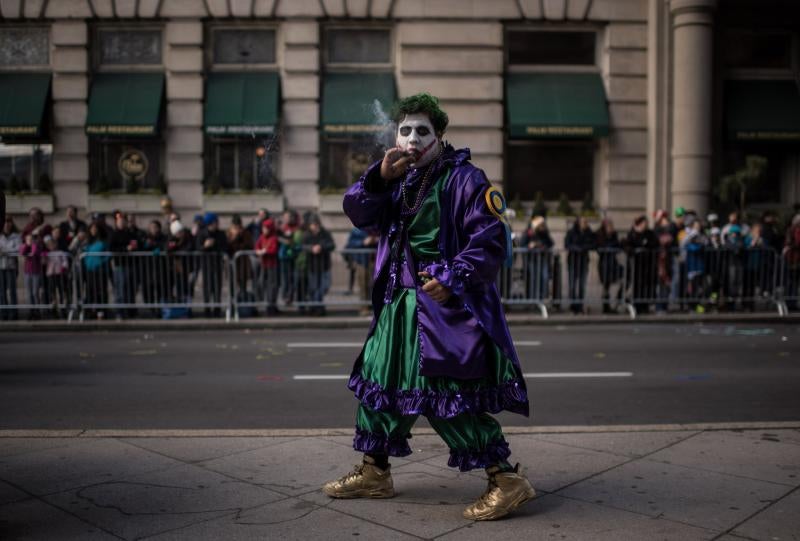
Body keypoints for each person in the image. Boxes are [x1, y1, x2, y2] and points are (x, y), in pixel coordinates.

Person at [326, 93, 534, 522]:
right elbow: (357, 211)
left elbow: (490, 239)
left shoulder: (465, 178)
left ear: (439, 136)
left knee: (443, 396)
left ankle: (506, 479)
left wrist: (454, 277)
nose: (413, 138)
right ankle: (374, 471)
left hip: (440, 310)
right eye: (405, 130)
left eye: (423, 130)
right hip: (396, 306)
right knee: (378, 384)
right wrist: (379, 177)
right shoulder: (397, 176)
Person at [302, 214, 335, 316]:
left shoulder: (325, 233)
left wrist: (321, 247)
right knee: (314, 287)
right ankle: (317, 308)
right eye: (312, 224)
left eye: (316, 224)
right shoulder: (307, 235)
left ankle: (316, 306)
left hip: (324, 265)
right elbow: (302, 246)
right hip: (312, 266)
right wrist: (311, 248)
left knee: (324, 286)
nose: (314, 226)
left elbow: (331, 245)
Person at [195, 212, 227, 317]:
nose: (217, 224)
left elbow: (224, 247)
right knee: (207, 288)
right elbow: (198, 248)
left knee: (217, 288)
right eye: (215, 222)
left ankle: (217, 310)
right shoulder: (202, 233)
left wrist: (216, 244)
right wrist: (205, 246)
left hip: (217, 264)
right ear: (210, 223)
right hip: (206, 265)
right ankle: (207, 310)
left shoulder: (221, 234)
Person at [564, 216, 596, 314]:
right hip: (573, 261)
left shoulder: (589, 232)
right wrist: (576, 248)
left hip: (583, 261)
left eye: (586, 222)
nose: (585, 224)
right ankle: (573, 305)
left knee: (582, 285)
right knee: (572, 285)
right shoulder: (571, 232)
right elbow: (567, 244)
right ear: (578, 223)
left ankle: (580, 305)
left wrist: (584, 248)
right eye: (583, 222)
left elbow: (594, 244)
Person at [345, 227, 379, 316]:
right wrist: (363, 242)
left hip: (373, 260)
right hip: (361, 261)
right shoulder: (356, 230)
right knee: (363, 284)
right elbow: (350, 244)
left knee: (373, 284)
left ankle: (372, 305)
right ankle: (364, 307)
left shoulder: (375, 227)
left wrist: (375, 240)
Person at [521, 215, 553, 303]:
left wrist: (542, 244)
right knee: (533, 279)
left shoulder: (544, 232)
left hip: (542, 260)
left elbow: (550, 243)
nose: (542, 226)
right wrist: (530, 246)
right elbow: (522, 244)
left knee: (544, 277)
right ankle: (533, 299)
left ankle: (541, 298)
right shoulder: (528, 232)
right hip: (532, 260)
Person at [595, 218, 623, 314]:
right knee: (606, 285)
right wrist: (610, 247)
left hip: (613, 263)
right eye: (609, 226)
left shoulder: (614, 235)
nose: (611, 228)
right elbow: (600, 248)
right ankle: (606, 306)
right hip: (604, 264)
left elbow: (618, 246)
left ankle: (618, 300)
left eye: (612, 226)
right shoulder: (600, 235)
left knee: (624, 279)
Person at [254, 218, 280, 315]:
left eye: (265, 228)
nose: (264, 230)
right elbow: (257, 246)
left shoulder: (273, 238)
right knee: (261, 284)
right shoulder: (262, 237)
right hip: (264, 265)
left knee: (272, 286)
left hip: (272, 265)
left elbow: (273, 249)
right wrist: (258, 251)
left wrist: (265, 251)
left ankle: (271, 305)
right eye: (263, 228)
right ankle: (264, 301)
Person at [0, 215, 21, 320]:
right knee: (1, 291)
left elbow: (18, 249)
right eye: (5, 222)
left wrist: (5, 252)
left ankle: (14, 313)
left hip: (11, 266)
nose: (7, 225)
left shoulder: (16, 236)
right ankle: (3, 313)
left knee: (12, 290)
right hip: (1, 266)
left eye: (9, 222)